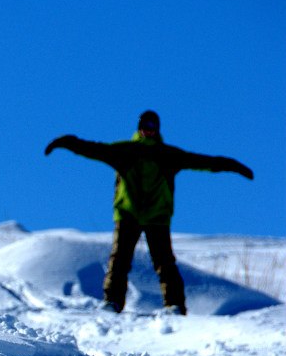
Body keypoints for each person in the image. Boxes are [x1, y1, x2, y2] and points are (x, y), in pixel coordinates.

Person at [44, 111, 254, 314]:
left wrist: (232, 165)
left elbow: (204, 162)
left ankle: (175, 305)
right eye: (145, 126)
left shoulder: (168, 155)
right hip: (128, 215)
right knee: (119, 261)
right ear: (139, 127)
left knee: (164, 263)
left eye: (152, 126)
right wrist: (66, 142)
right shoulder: (125, 151)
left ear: (158, 128)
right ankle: (112, 302)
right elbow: (92, 149)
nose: (149, 130)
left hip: (157, 217)